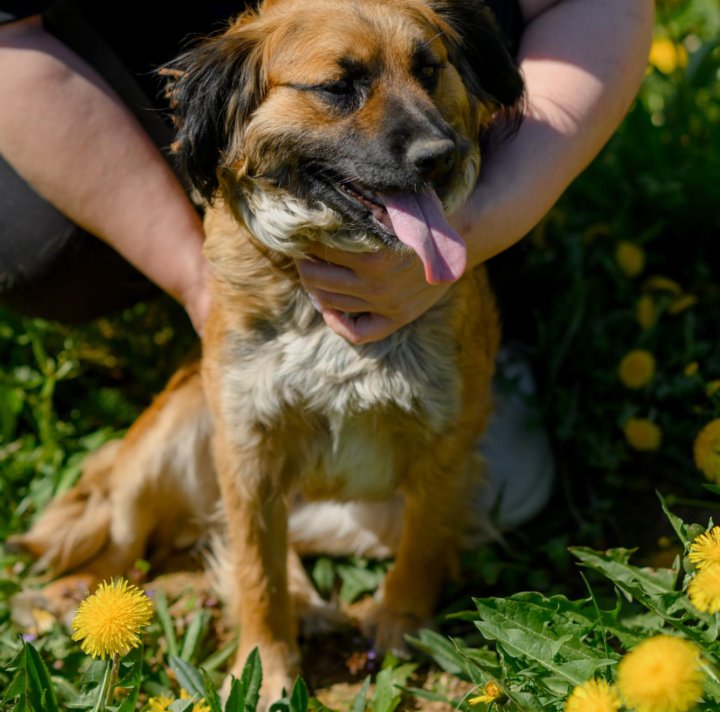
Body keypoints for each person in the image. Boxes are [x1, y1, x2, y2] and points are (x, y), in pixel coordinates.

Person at [0, 0, 655, 527]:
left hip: (463, 173)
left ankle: (485, 325)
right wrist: (207, 286)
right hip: (174, 90)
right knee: (33, 245)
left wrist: (490, 220)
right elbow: (11, 42)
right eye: (343, 88)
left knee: (504, 492)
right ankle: (230, 346)